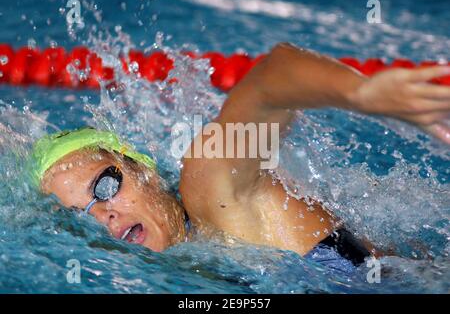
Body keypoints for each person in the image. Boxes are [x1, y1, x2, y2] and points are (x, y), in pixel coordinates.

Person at [31, 43, 450, 271]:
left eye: (105, 187)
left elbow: (273, 74)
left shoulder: (211, 189)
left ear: (143, 169)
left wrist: (363, 93)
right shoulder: (187, 257)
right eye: (81, 215)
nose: (102, 215)